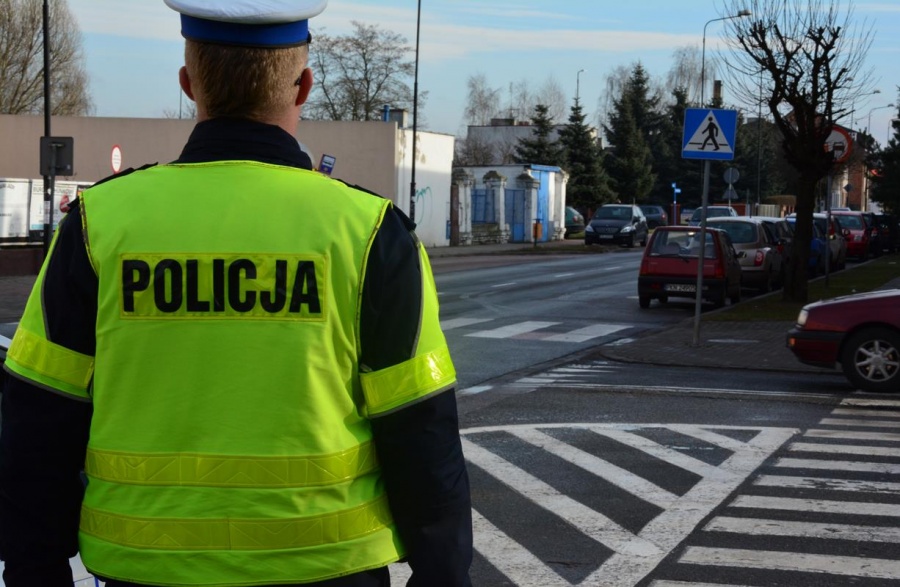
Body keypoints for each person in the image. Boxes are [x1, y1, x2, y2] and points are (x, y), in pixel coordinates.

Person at [0, 1, 473, 585]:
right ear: (303, 87)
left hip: (144, 568)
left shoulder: (99, 224)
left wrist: (34, 571)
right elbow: (420, 430)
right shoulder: (369, 231)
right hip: (327, 568)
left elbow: (37, 422)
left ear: (187, 83)